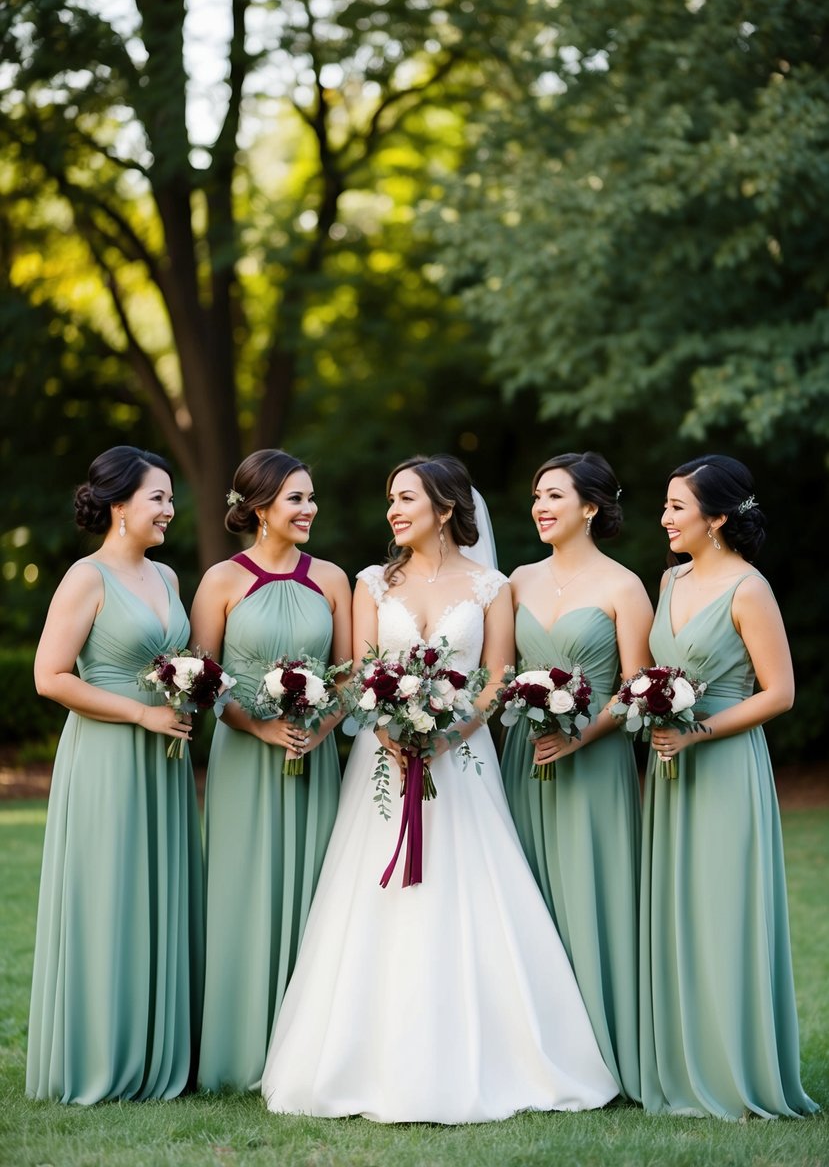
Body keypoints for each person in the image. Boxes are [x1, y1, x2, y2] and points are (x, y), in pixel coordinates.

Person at [261, 454, 618, 1123]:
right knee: (371, 898)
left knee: (470, 893)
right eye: (390, 499)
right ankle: (358, 1062)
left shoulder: (491, 586)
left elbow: (495, 676)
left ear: (445, 510)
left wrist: (449, 733)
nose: (392, 511)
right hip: (381, 760)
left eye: (405, 499)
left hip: (464, 760)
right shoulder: (372, 582)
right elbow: (363, 670)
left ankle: (498, 1058)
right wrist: (389, 729)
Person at [641, 454, 818, 1119]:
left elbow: (780, 692)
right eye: (663, 506)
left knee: (724, 913)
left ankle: (737, 1073)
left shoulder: (748, 590)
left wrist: (698, 731)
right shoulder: (668, 581)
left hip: (723, 768)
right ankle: (684, 1069)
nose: (663, 518)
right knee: (679, 913)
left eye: (676, 508)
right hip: (670, 774)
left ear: (715, 519)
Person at [27, 446, 204, 1104]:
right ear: (120, 505)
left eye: (169, 497)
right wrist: (138, 713)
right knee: (109, 893)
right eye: (157, 497)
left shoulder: (167, 580)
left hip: (165, 754)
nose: (168, 509)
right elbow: (50, 677)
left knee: (157, 890)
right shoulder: (86, 577)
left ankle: (157, 1051)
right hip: (106, 754)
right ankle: (100, 1055)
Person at [191, 449, 351, 1092]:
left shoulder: (333, 580)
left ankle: (308, 1052)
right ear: (259, 508)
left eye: (312, 497)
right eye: (296, 499)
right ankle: (238, 1052)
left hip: (314, 760)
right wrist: (258, 726)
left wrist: (321, 729)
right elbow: (200, 681)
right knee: (243, 890)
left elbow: (349, 678)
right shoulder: (222, 581)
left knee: (317, 893)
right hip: (244, 761)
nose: (309, 509)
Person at [501, 452, 653, 1102]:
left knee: (593, 896)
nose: (540, 505)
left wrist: (579, 733)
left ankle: (603, 1055)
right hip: (522, 758)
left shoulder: (623, 587)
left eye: (554, 495)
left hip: (592, 763)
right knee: (523, 897)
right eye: (536, 495)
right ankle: (529, 1057)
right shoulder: (517, 580)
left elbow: (640, 686)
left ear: (589, 508)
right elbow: (498, 675)